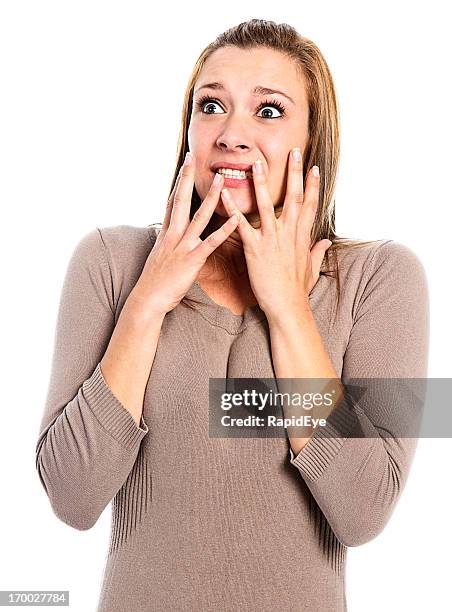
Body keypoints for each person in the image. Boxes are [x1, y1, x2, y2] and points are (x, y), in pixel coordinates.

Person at [35, 19, 429, 612]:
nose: (231, 134)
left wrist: (289, 311)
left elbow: (364, 509)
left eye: (268, 111)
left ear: (313, 140)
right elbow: (72, 496)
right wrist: (148, 302)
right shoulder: (110, 263)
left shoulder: (381, 279)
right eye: (211, 105)